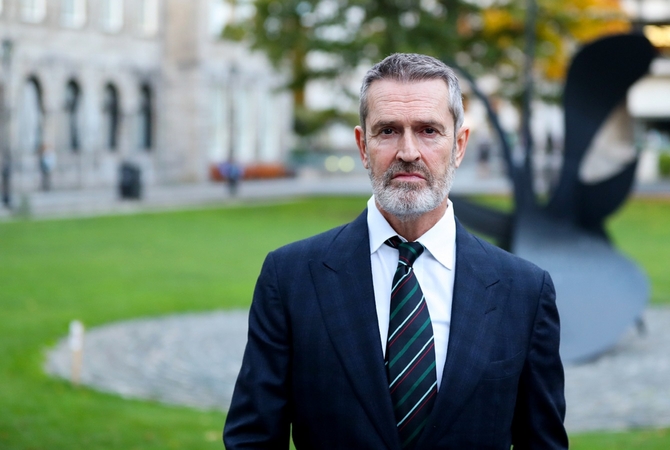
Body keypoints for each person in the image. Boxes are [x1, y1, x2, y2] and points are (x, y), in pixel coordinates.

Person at [223, 53, 567, 450]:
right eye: (387, 131)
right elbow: (252, 439)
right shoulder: (291, 278)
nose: (408, 151)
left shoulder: (524, 290)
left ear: (458, 145)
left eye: (427, 131)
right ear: (362, 145)